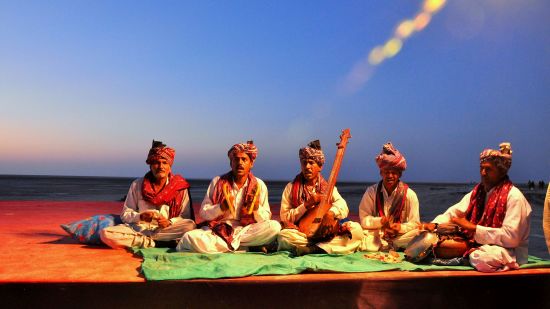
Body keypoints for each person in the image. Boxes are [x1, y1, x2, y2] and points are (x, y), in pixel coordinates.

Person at [427, 142, 532, 272]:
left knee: (485, 258)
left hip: (510, 251)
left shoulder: (514, 197)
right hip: (481, 245)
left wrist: (473, 228)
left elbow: (511, 238)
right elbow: (454, 213)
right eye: (481, 168)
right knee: (429, 240)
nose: (483, 173)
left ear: (501, 172)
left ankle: (466, 256)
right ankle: (467, 255)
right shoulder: (478, 192)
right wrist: (433, 225)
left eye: (488, 169)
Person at [177, 141, 281, 253]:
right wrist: (221, 207)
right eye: (236, 159)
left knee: (274, 227)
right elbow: (203, 213)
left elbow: (265, 218)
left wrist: (256, 209)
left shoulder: (259, 185)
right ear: (231, 163)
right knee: (188, 238)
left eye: (244, 159)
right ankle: (244, 247)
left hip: (246, 230)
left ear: (251, 163)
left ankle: (228, 246)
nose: (240, 163)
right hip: (218, 229)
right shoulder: (217, 182)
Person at [100, 140, 196, 248]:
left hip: (166, 229)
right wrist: (140, 216)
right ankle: (155, 243)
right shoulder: (137, 185)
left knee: (190, 226)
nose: (160, 166)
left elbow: (185, 216)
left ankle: (143, 241)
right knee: (106, 234)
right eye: (156, 163)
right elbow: (125, 214)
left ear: (170, 167)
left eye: (164, 163)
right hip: (139, 229)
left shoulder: (179, 187)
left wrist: (169, 222)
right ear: (150, 166)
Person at [278, 140, 363, 255]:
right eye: (304, 163)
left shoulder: (328, 187)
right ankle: (324, 248)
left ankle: (313, 249)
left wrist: (331, 213)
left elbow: (343, 206)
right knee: (284, 236)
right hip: (301, 233)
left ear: (320, 166)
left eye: (311, 163)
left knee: (356, 230)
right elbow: (285, 217)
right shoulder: (290, 187)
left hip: (325, 231)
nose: (307, 166)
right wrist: (305, 205)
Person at [358, 142, 420, 252]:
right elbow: (364, 219)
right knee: (355, 229)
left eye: (394, 172)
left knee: (420, 233)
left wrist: (400, 228)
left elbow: (415, 223)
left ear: (400, 174)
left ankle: (389, 245)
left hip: (400, 236)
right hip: (377, 234)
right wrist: (381, 221)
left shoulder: (410, 194)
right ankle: (390, 246)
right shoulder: (371, 191)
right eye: (386, 172)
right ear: (381, 173)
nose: (390, 176)